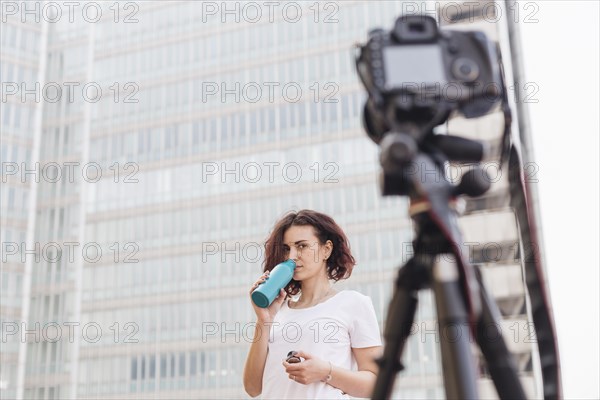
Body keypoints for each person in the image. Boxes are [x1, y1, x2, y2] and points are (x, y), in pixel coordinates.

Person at [243, 209, 383, 399]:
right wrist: (263, 321)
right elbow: (252, 388)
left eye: (302, 246)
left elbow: (377, 385)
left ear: (326, 249)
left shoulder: (353, 303)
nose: (292, 256)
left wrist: (325, 371)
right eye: (286, 249)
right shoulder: (276, 311)